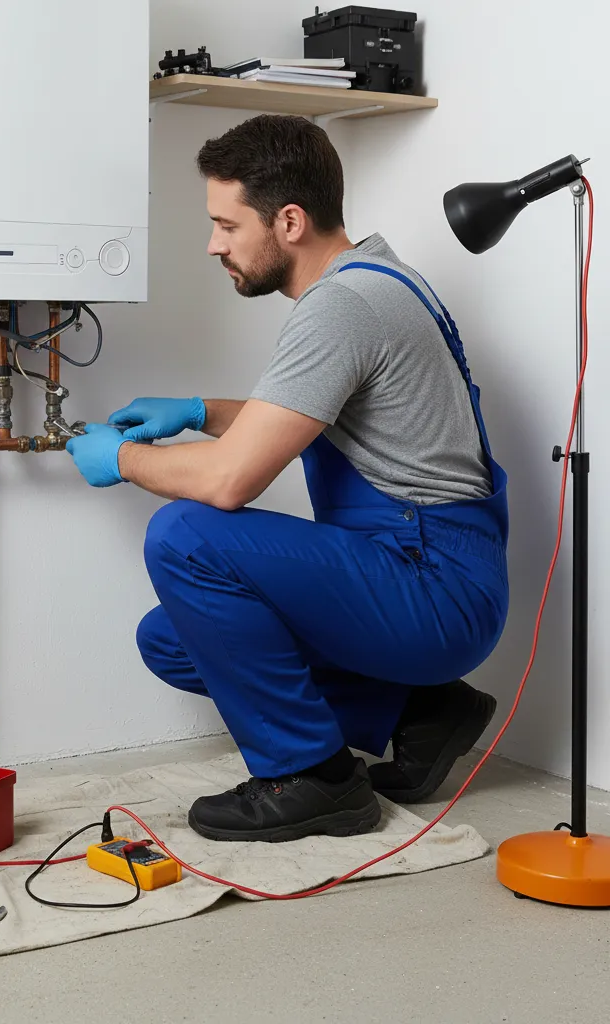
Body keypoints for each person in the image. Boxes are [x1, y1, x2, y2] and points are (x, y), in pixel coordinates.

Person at [65, 114, 508, 844]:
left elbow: (231, 482)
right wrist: (200, 409)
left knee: (185, 533)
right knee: (172, 638)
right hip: (422, 569)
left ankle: (313, 780)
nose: (214, 244)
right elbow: (315, 414)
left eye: (226, 225)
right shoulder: (374, 276)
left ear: (290, 221)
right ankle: (420, 716)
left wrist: (120, 460)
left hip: (434, 587)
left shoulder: (342, 308)